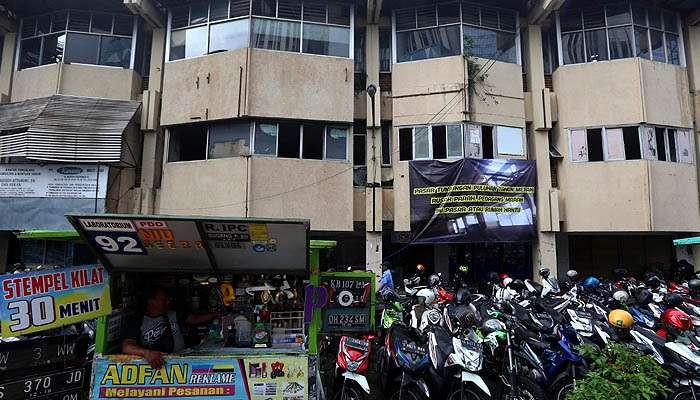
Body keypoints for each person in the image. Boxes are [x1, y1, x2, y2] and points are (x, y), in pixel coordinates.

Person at [122, 287, 217, 368]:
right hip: (153, 365)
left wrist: (216, 314)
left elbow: (195, 319)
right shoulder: (138, 320)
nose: (168, 301)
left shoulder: (174, 314)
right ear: (151, 300)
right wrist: (147, 353)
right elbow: (127, 347)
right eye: (164, 299)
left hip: (180, 363)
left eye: (169, 299)